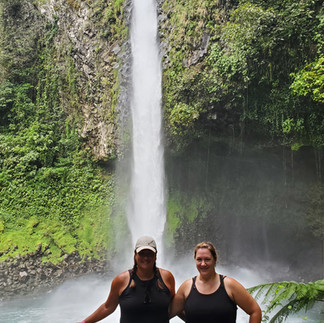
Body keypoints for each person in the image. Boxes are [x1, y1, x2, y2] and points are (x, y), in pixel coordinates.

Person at [77, 236, 175, 323]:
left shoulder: (167, 277)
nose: (145, 258)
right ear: (135, 255)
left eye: (149, 254)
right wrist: (85, 322)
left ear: (155, 255)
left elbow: (175, 305)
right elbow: (108, 307)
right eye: (142, 253)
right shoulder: (121, 280)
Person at [170, 241, 262, 323]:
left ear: (215, 260)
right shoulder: (187, 286)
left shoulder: (229, 285)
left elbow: (255, 311)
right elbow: (169, 313)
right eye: (199, 259)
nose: (203, 264)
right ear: (195, 260)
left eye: (207, 259)